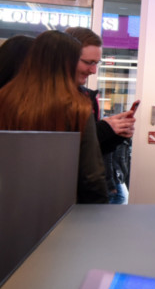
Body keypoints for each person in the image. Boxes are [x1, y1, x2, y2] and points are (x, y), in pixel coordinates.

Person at [0, 30, 107, 203]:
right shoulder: (76, 107)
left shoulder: (5, 98)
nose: (92, 70)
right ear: (68, 63)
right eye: (86, 62)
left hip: (9, 203)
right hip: (60, 206)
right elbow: (91, 175)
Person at [65, 27, 136, 204]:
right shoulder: (51, 98)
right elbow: (62, 150)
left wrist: (115, 135)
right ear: (67, 58)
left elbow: (91, 153)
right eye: (88, 62)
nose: (93, 70)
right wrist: (103, 130)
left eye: (97, 63)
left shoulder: (88, 97)